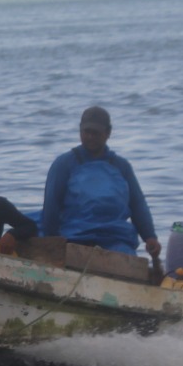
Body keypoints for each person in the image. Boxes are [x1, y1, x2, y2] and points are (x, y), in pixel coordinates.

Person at [39, 106, 161, 261]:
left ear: (108, 132)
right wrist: (53, 241)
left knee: (127, 262)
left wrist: (149, 236)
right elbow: (51, 205)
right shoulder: (64, 164)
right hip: (74, 235)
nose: (90, 137)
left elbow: (137, 204)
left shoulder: (121, 166)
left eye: (95, 133)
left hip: (114, 237)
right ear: (80, 130)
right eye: (86, 131)